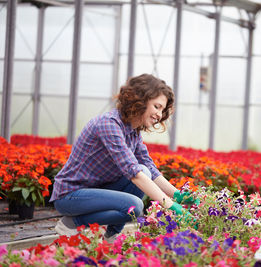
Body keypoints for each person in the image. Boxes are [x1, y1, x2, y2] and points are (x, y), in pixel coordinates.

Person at [50, 74, 196, 243]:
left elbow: (149, 168)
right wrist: (170, 205)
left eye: (162, 110)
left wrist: (179, 196)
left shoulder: (133, 131)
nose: (159, 114)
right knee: (133, 207)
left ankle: (110, 237)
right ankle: (72, 223)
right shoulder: (109, 124)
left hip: (96, 191)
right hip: (71, 195)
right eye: (157, 106)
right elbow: (132, 172)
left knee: (145, 170)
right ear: (141, 99)